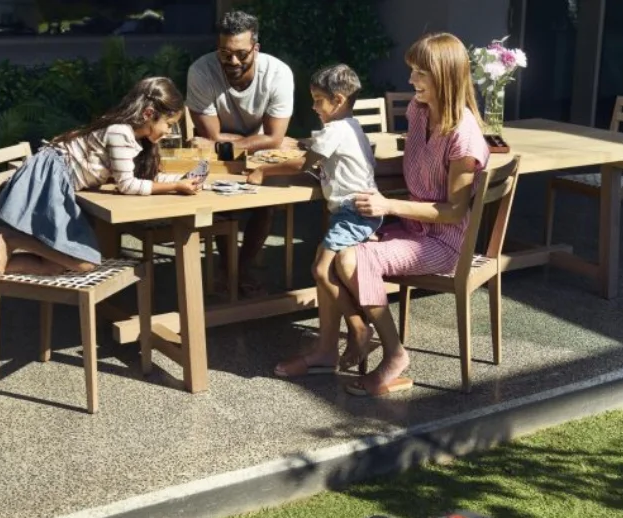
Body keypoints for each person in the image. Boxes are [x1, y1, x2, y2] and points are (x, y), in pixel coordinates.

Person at [273, 32, 491, 397]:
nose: (411, 81)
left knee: (350, 259)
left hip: (444, 241)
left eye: (420, 73)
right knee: (327, 260)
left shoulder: (464, 137)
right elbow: (410, 165)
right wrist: (357, 167)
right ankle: (326, 350)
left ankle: (394, 353)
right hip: (410, 229)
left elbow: (454, 211)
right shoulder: (420, 113)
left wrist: (387, 205)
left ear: (445, 76)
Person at [0, 77, 202, 296]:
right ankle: (11, 237)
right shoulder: (120, 133)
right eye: (168, 124)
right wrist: (176, 187)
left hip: (58, 180)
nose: (169, 131)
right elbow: (127, 184)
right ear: (148, 114)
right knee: (84, 262)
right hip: (52, 179)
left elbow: (139, 176)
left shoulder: (129, 135)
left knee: (58, 264)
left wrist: (181, 180)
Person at [249, 63, 382, 372]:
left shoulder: (335, 130)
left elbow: (302, 165)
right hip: (358, 212)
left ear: (337, 100)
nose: (313, 106)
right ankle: (353, 329)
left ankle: (359, 327)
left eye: (318, 99)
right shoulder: (352, 126)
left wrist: (261, 170)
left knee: (321, 270)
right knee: (323, 268)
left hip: (351, 213)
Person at [186, 9, 299, 296]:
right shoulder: (201, 71)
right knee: (223, 204)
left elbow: (272, 138)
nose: (233, 61)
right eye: (225, 54)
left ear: (256, 48)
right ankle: (228, 268)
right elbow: (211, 136)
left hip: (255, 155)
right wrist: (263, 140)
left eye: (241, 54)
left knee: (265, 204)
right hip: (222, 155)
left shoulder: (278, 74)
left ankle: (241, 267)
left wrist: (265, 141)